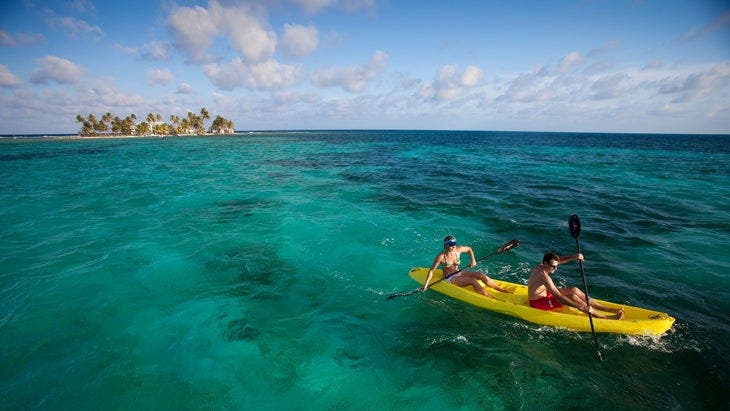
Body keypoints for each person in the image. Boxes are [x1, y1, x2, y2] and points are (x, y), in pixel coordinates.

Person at [527, 252, 624, 319]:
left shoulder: (543, 265)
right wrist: (579, 307)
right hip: (537, 302)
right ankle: (603, 317)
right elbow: (557, 296)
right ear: (545, 263)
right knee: (572, 296)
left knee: (574, 290)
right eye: (553, 266)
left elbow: (560, 260)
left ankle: (608, 309)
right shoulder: (543, 276)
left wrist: (574, 257)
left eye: (556, 266)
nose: (556, 269)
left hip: (545, 294)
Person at [421, 235, 511, 298]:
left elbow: (469, 249)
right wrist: (426, 285)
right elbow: (432, 271)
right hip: (450, 279)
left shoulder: (458, 250)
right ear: (446, 245)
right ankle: (488, 297)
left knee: (480, 274)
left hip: (459, 273)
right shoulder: (441, 257)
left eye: (454, 244)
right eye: (451, 245)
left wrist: (473, 260)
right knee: (472, 280)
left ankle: (499, 288)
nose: (454, 246)